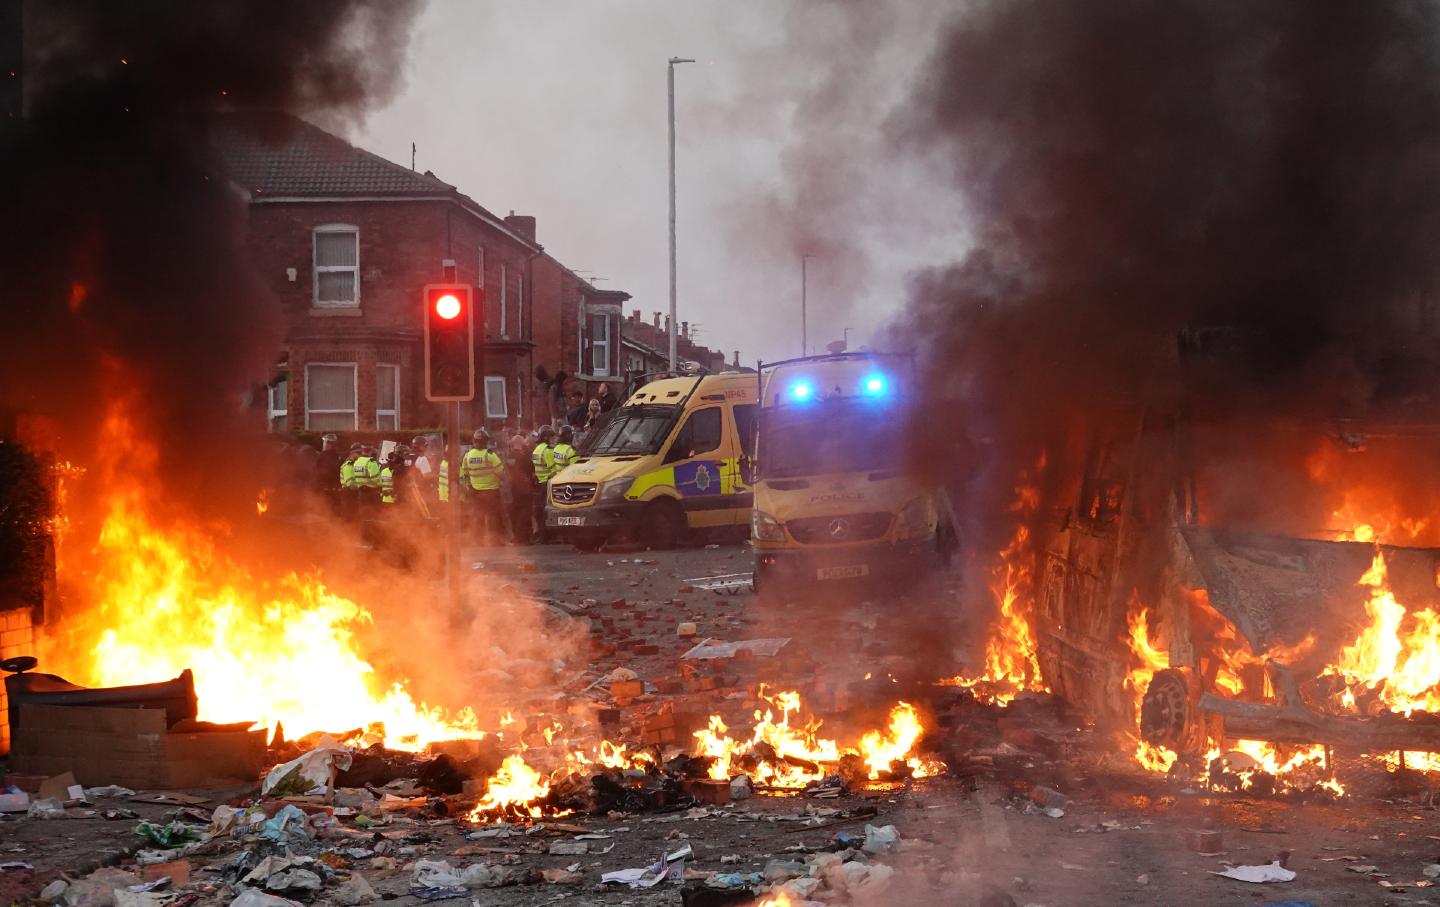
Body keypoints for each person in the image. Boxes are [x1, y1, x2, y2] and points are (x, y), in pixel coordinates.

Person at [464, 429, 504, 543]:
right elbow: (501, 472)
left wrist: (469, 486)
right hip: (491, 491)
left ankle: (478, 541)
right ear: (486, 441)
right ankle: (494, 540)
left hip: (475, 491)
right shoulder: (489, 455)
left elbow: (465, 472)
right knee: (493, 516)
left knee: (477, 516)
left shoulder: (468, 455)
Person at [505, 436, 535, 544]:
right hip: (525, 489)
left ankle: (516, 537)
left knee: (514, 513)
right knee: (525, 513)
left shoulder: (509, 457)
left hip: (513, 489)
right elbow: (531, 470)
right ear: (522, 445)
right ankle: (524, 538)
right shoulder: (524, 457)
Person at [531, 426, 557, 542]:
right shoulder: (547, 450)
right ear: (546, 437)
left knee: (540, 510)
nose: (553, 439)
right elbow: (554, 469)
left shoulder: (537, 449)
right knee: (548, 511)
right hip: (548, 483)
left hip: (539, 483)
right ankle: (548, 536)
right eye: (551, 437)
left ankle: (542, 535)